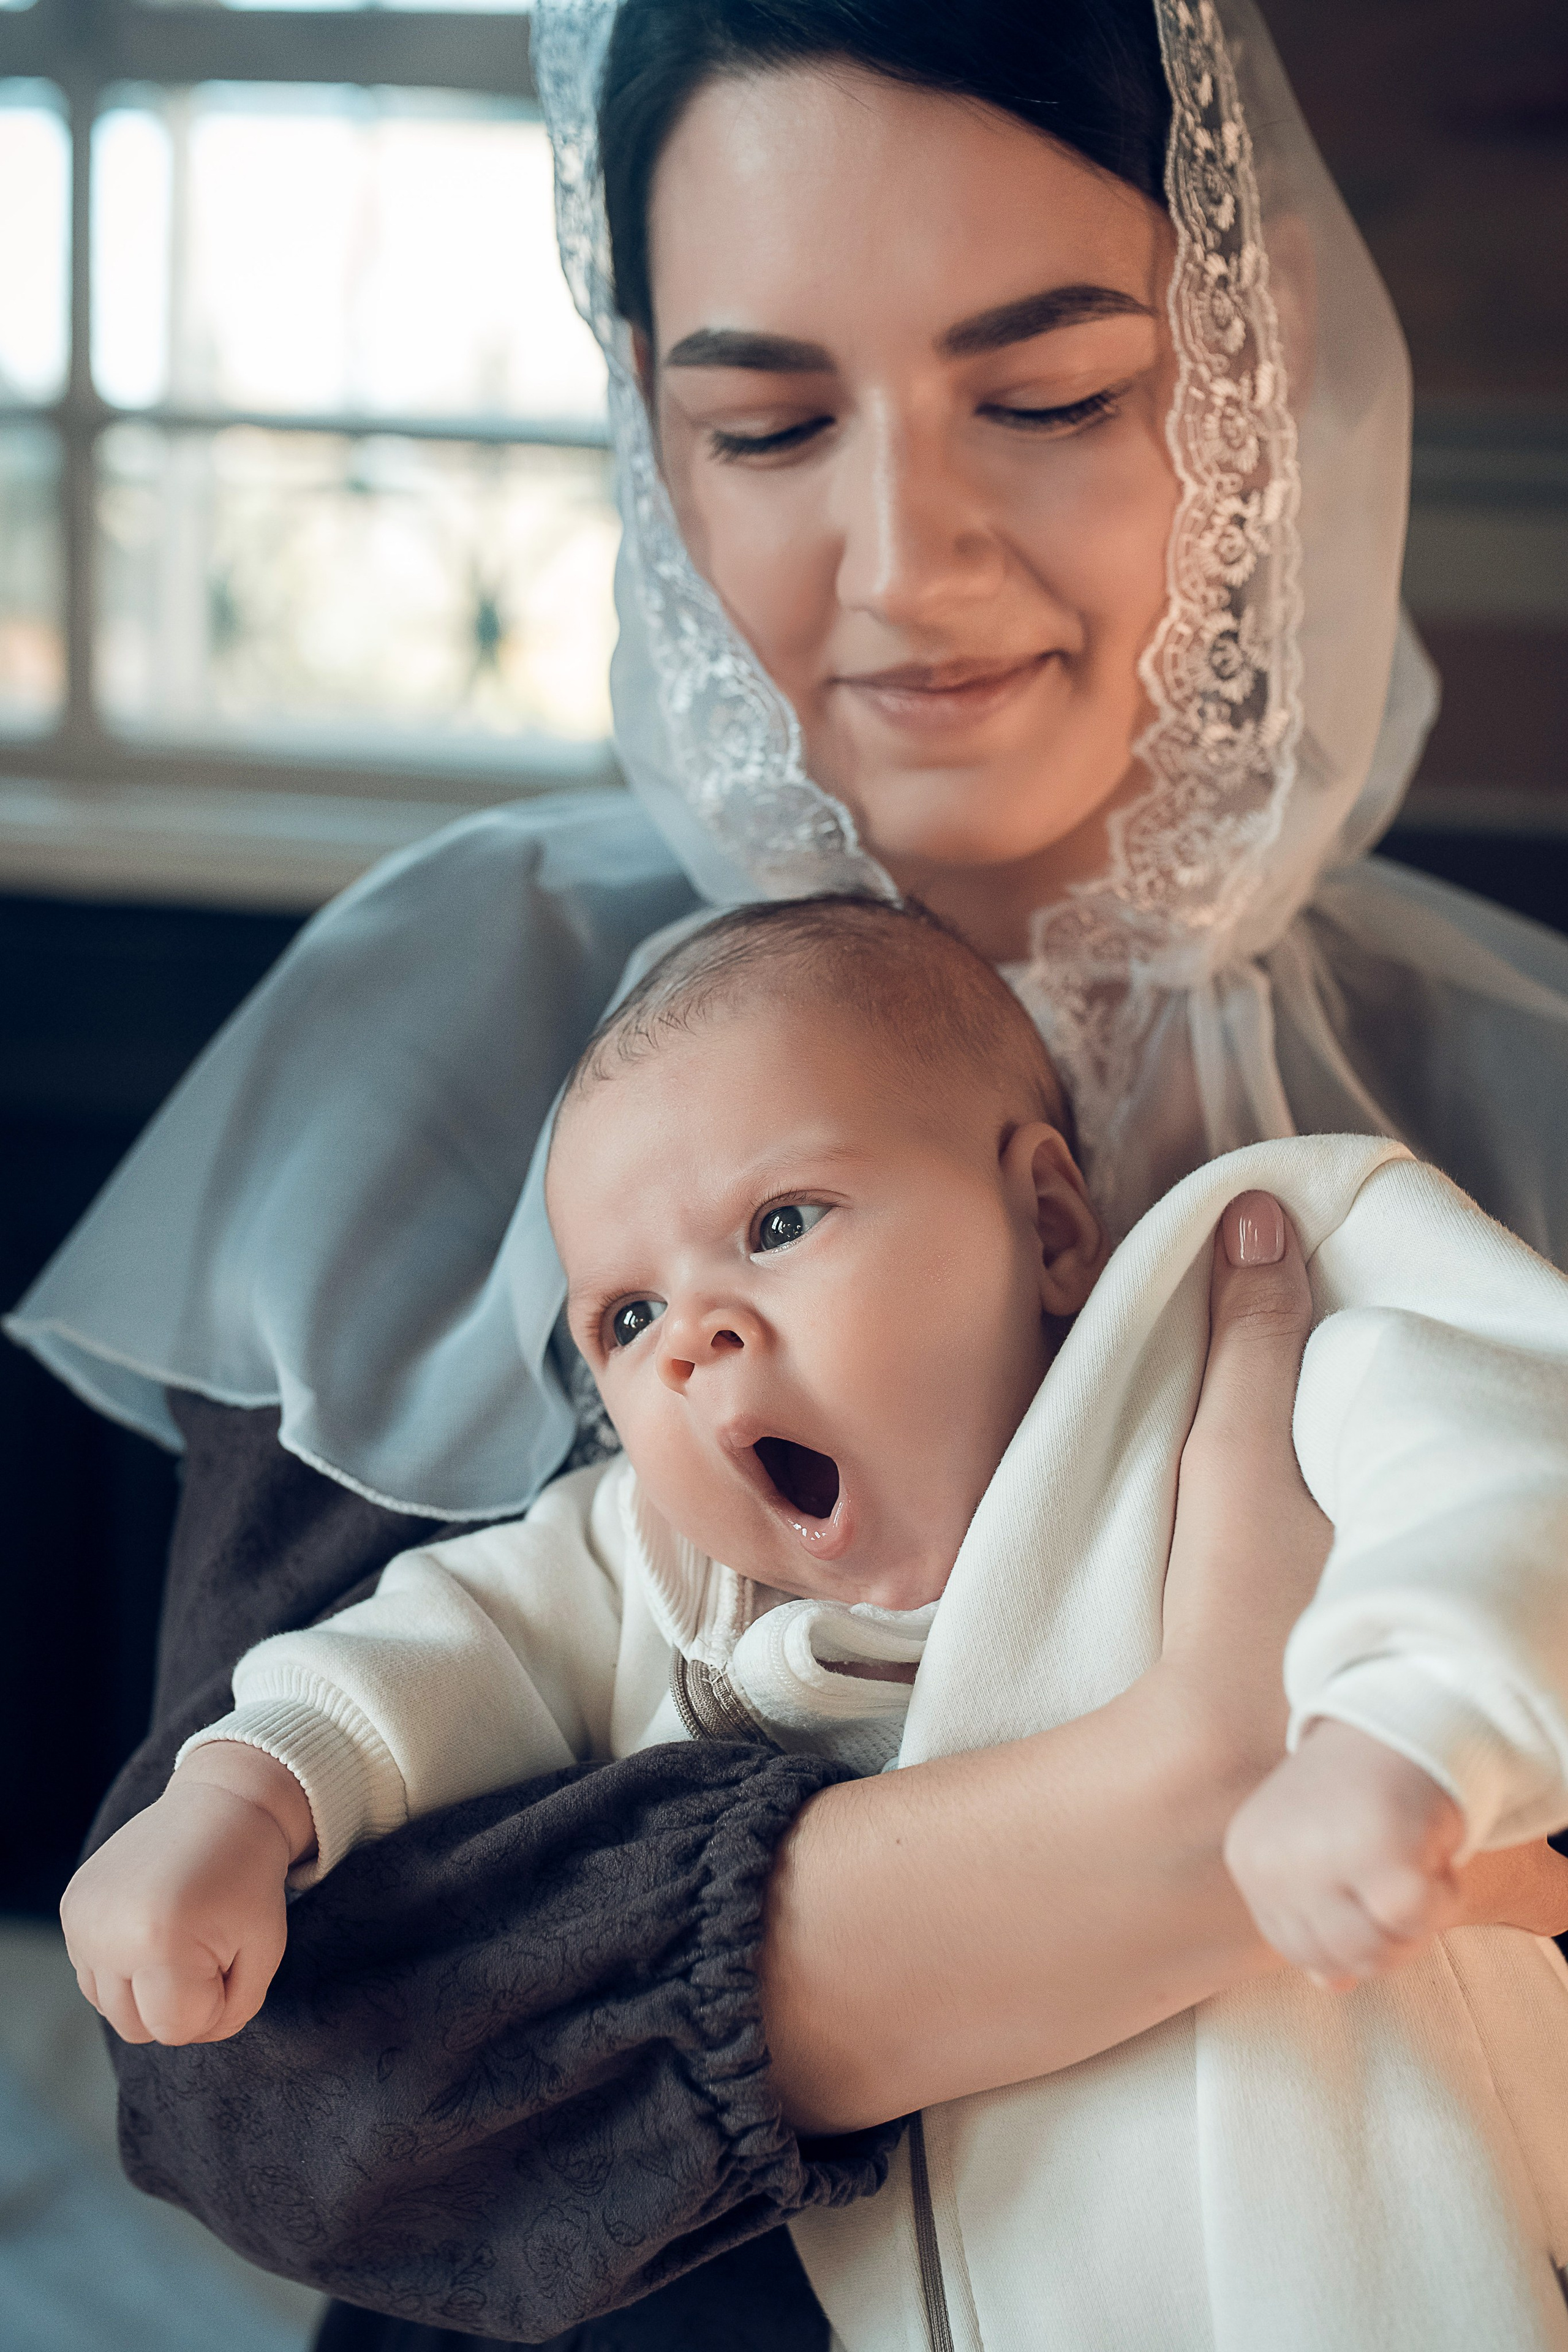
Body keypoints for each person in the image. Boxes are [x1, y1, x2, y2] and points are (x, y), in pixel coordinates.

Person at [10, 0, 1568, 2342]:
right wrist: (1179, 1815)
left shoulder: (1499, 1075)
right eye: (763, 423)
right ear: (648, 425)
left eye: (1048, 398)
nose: (904, 562)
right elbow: (272, 2077)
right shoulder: (468, 1040)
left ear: (1255, 380)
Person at [59, 895, 1568, 2351]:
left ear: (1045, 1223)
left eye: (778, 1221)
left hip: (1381, 2264)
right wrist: (243, 1796)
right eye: (624, 1319)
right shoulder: (662, 1579)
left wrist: (1398, 1732)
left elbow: (1494, 1463)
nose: (693, 1338)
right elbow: (443, 1642)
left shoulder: (1217, 1331)